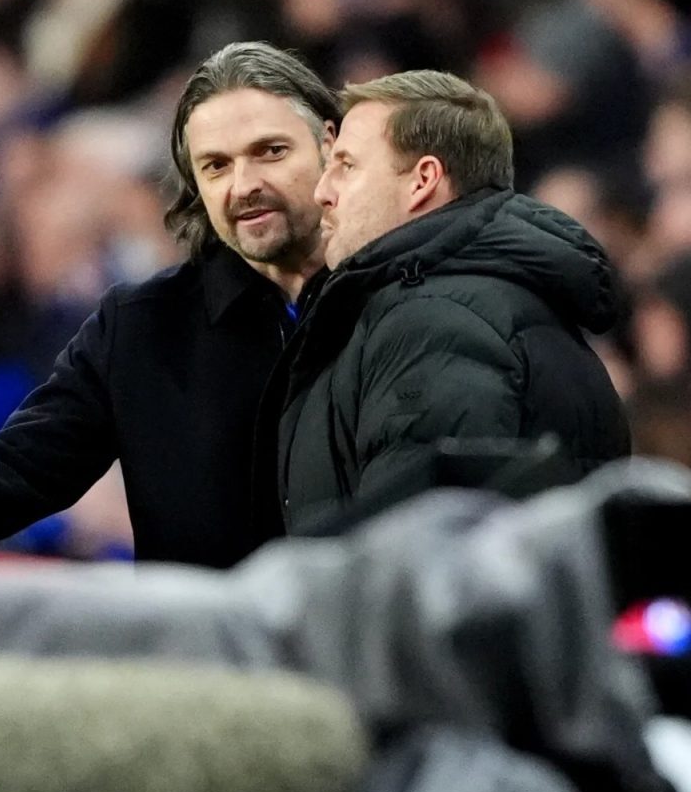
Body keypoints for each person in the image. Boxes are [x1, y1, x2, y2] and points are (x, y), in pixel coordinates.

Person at [0, 42, 340, 568]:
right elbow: (23, 465)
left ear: (331, 147)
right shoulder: (142, 326)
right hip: (197, 628)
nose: (243, 185)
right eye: (216, 165)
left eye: (271, 151)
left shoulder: (379, 303)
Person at [267, 70, 630, 533]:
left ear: (423, 180)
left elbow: (418, 548)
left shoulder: (433, 324)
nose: (323, 192)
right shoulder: (485, 300)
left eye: (347, 166)